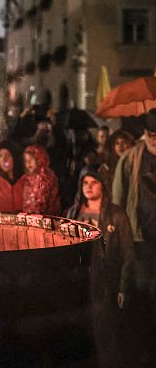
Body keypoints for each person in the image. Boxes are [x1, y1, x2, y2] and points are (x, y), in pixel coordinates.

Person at [67, 165, 134, 368]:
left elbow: (128, 254)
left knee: (105, 330)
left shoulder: (116, 215)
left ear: (103, 185)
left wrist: (123, 286)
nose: (89, 186)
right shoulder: (72, 212)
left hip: (105, 281)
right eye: (85, 182)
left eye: (94, 182)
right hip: (78, 281)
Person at [113, 108, 156, 364]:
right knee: (143, 296)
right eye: (153, 135)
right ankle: (144, 352)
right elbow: (118, 202)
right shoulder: (130, 159)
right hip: (140, 242)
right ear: (146, 134)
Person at [17, 144, 61, 215]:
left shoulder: (46, 177)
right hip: (27, 218)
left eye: (31, 159)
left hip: (45, 218)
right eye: (26, 160)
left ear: (39, 158)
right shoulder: (25, 179)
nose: (28, 163)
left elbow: (42, 203)